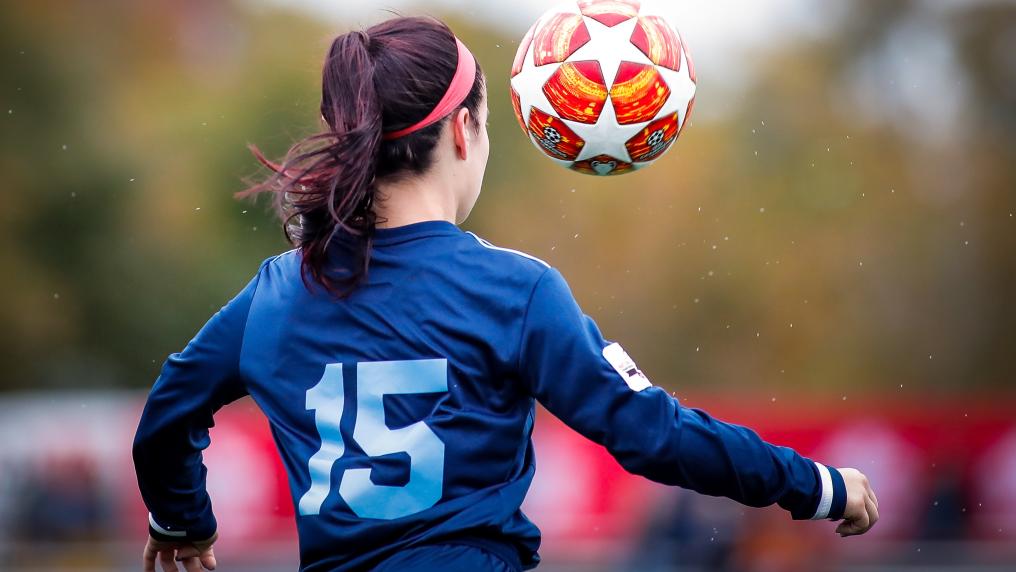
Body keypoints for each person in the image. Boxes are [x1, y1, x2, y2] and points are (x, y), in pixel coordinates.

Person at [132, 15, 879, 572]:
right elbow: (652, 433)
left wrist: (181, 523)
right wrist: (812, 484)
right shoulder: (512, 291)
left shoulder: (276, 292)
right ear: (463, 131)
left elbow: (167, 415)